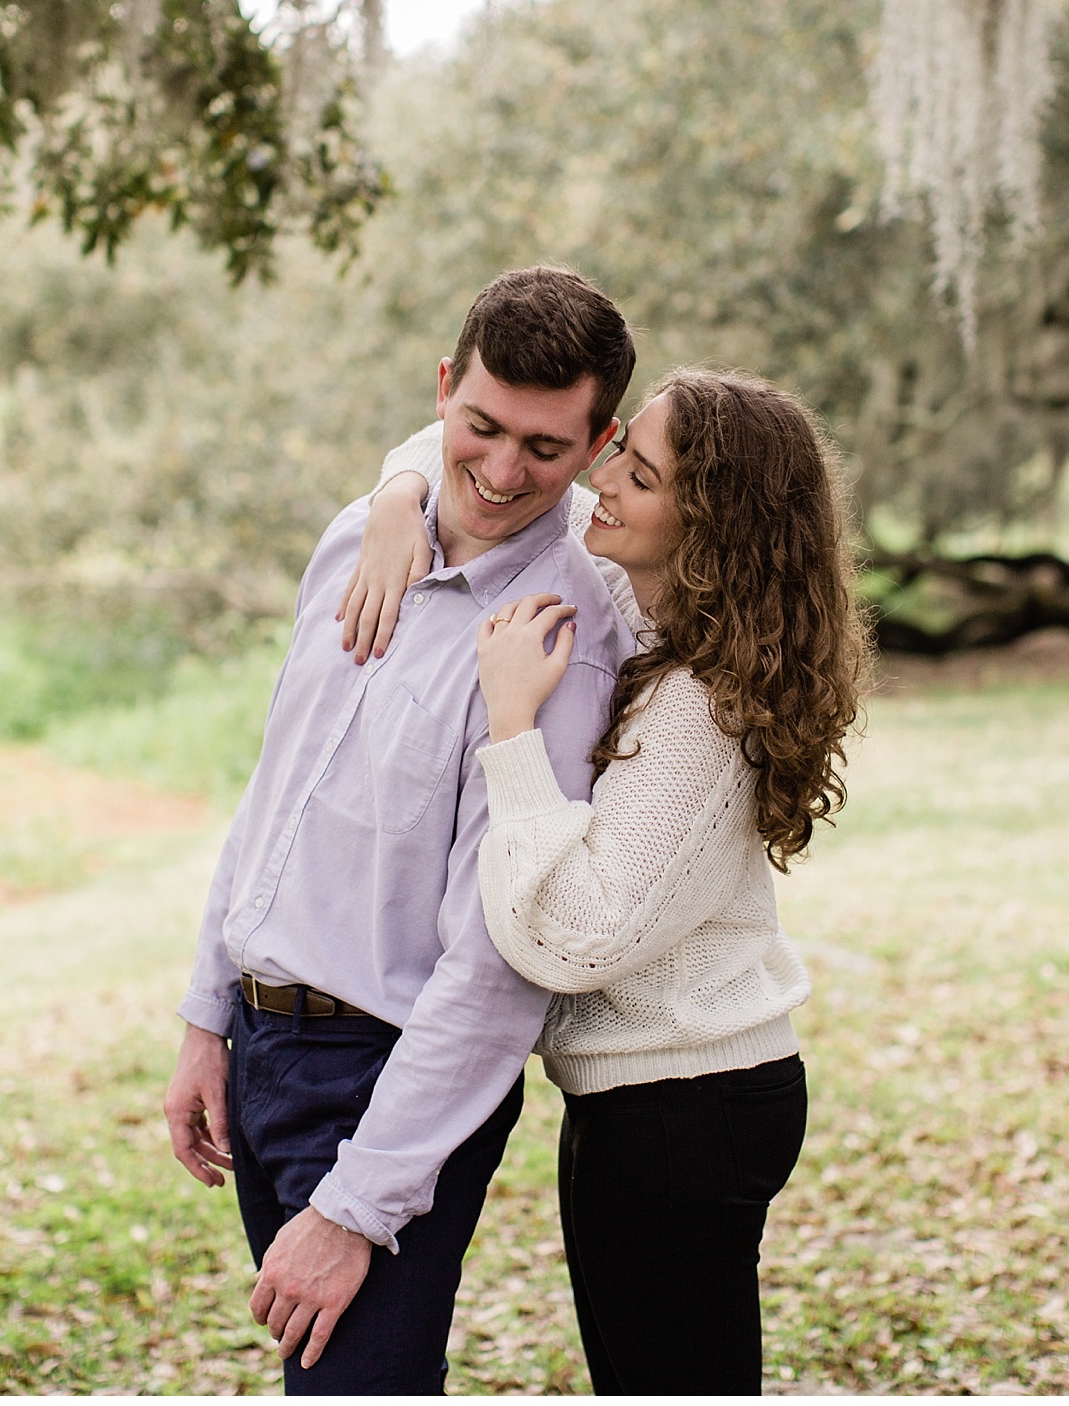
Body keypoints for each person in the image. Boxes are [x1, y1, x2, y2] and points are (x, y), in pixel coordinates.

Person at [162, 266, 637, 1394]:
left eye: (546, 448)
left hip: (390, 1076)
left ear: (599, 442)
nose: (504, 472)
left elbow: (498, 958)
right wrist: (205, 1014)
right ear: (440, 390)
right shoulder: (353, 538)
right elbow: (275, 794)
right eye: (480, 427)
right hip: (264, 1042)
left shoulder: (563, 634)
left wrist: (359, 1203)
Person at [345, 366, 865, 1393]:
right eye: (616, 453)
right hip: (668, 1094)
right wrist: (396, 499)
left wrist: (510, 728)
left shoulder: (698, 712)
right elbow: (468, 454)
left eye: (637, 470)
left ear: (708, 521)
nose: (602, 480)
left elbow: (573, 938)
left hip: (682, 1105)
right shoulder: (657, 606)